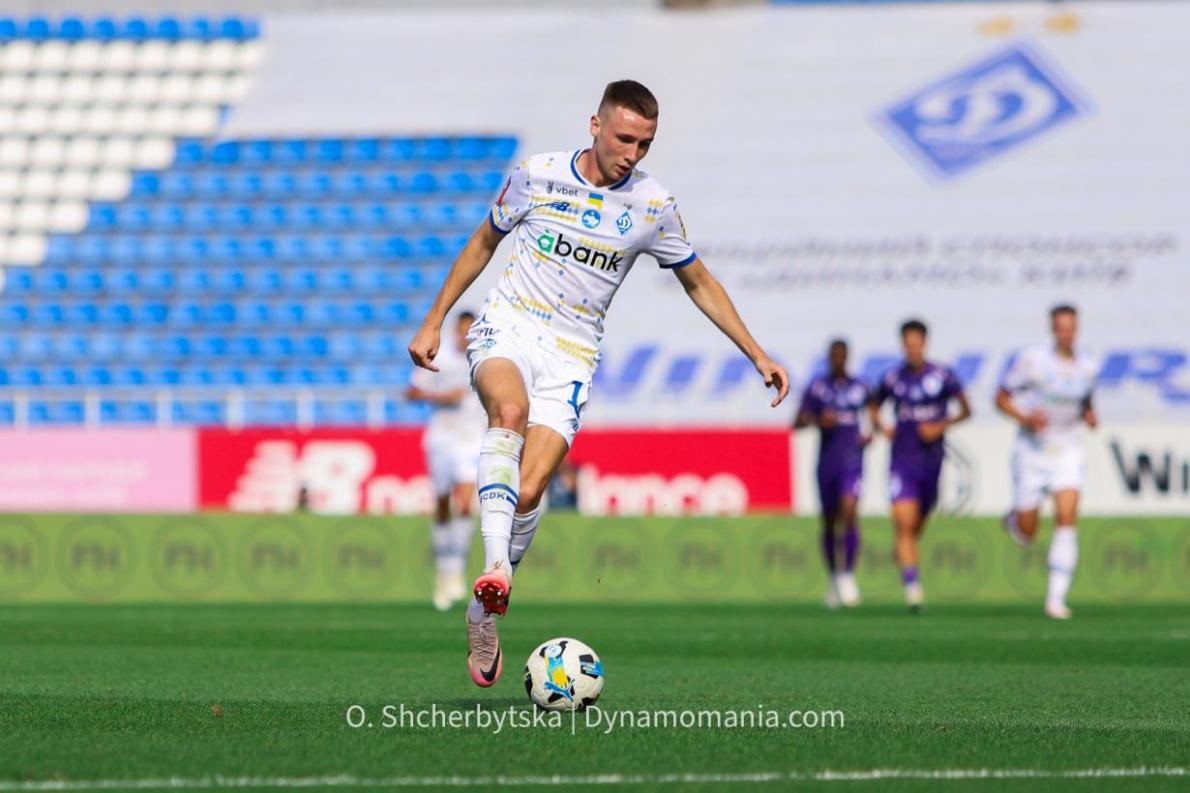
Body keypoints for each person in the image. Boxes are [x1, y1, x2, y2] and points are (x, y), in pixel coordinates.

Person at [407, 79, 789, 687]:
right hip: (509, 327)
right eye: (624, 138)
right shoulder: (537, 175)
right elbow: (483, 242)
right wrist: (434, 318)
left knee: (528, 491)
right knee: (508, 412)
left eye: (645, 144)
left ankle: (483, 611)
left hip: (572, 355)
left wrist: (756, 352)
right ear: (595, 125)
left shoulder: (652, 206)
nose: (632, 154)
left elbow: (698, 281)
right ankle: (496, 569)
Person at [995, 304, 1098, 620]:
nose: (1066, 333)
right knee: (1028, 533)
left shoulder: (1088, 366)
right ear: (1052, 329)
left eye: (1071, 327)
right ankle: (1015, 520)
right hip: (1032, 450)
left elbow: (1085, 402)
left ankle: (1056, 599)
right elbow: (1000, 399)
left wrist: (1089, 416)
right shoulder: (1033, 361)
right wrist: (1025, 417)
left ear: (1077, 329)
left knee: (1067, 517)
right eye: (1060, 327)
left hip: (1067, 449)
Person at [868, 319, 971, 613]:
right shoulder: (892, 377)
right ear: (903, 345)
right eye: (908, 345)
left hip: (931, 462)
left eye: (917, 344)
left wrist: (940, 426)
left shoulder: (943, 376)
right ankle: (913, 589)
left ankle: (904, 554)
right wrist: (882, 426)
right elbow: (873, 404)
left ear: (925, 343)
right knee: (903, 524)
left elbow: (966, 409)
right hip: (902, 461)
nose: (912, 349)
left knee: (914, 527)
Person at [405, 311, 485, 611]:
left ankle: (455, 571)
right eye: (462, 330)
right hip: (441, 439)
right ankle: (442, 569)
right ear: (455, 331)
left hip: (471, 440)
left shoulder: (485, 359)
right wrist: (442, 397)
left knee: (464, 503)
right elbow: (411, 392)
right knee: (442, 504)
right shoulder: (441, 358)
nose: (465, 336)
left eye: (470, 330)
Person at [794, 339, 869, 608]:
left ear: (847, 357)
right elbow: (798, 421)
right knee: (828, 521)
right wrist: (817, 420)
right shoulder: (818, 388)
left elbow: (873, 416)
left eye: (842, 356)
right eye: (834, 356)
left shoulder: (860, 387)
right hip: (827, 462)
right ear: (828, 358)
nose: (838, 360)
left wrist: (871, 432)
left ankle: (847, 573)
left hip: (852, 462)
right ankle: (833, 577)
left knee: (849, 511)